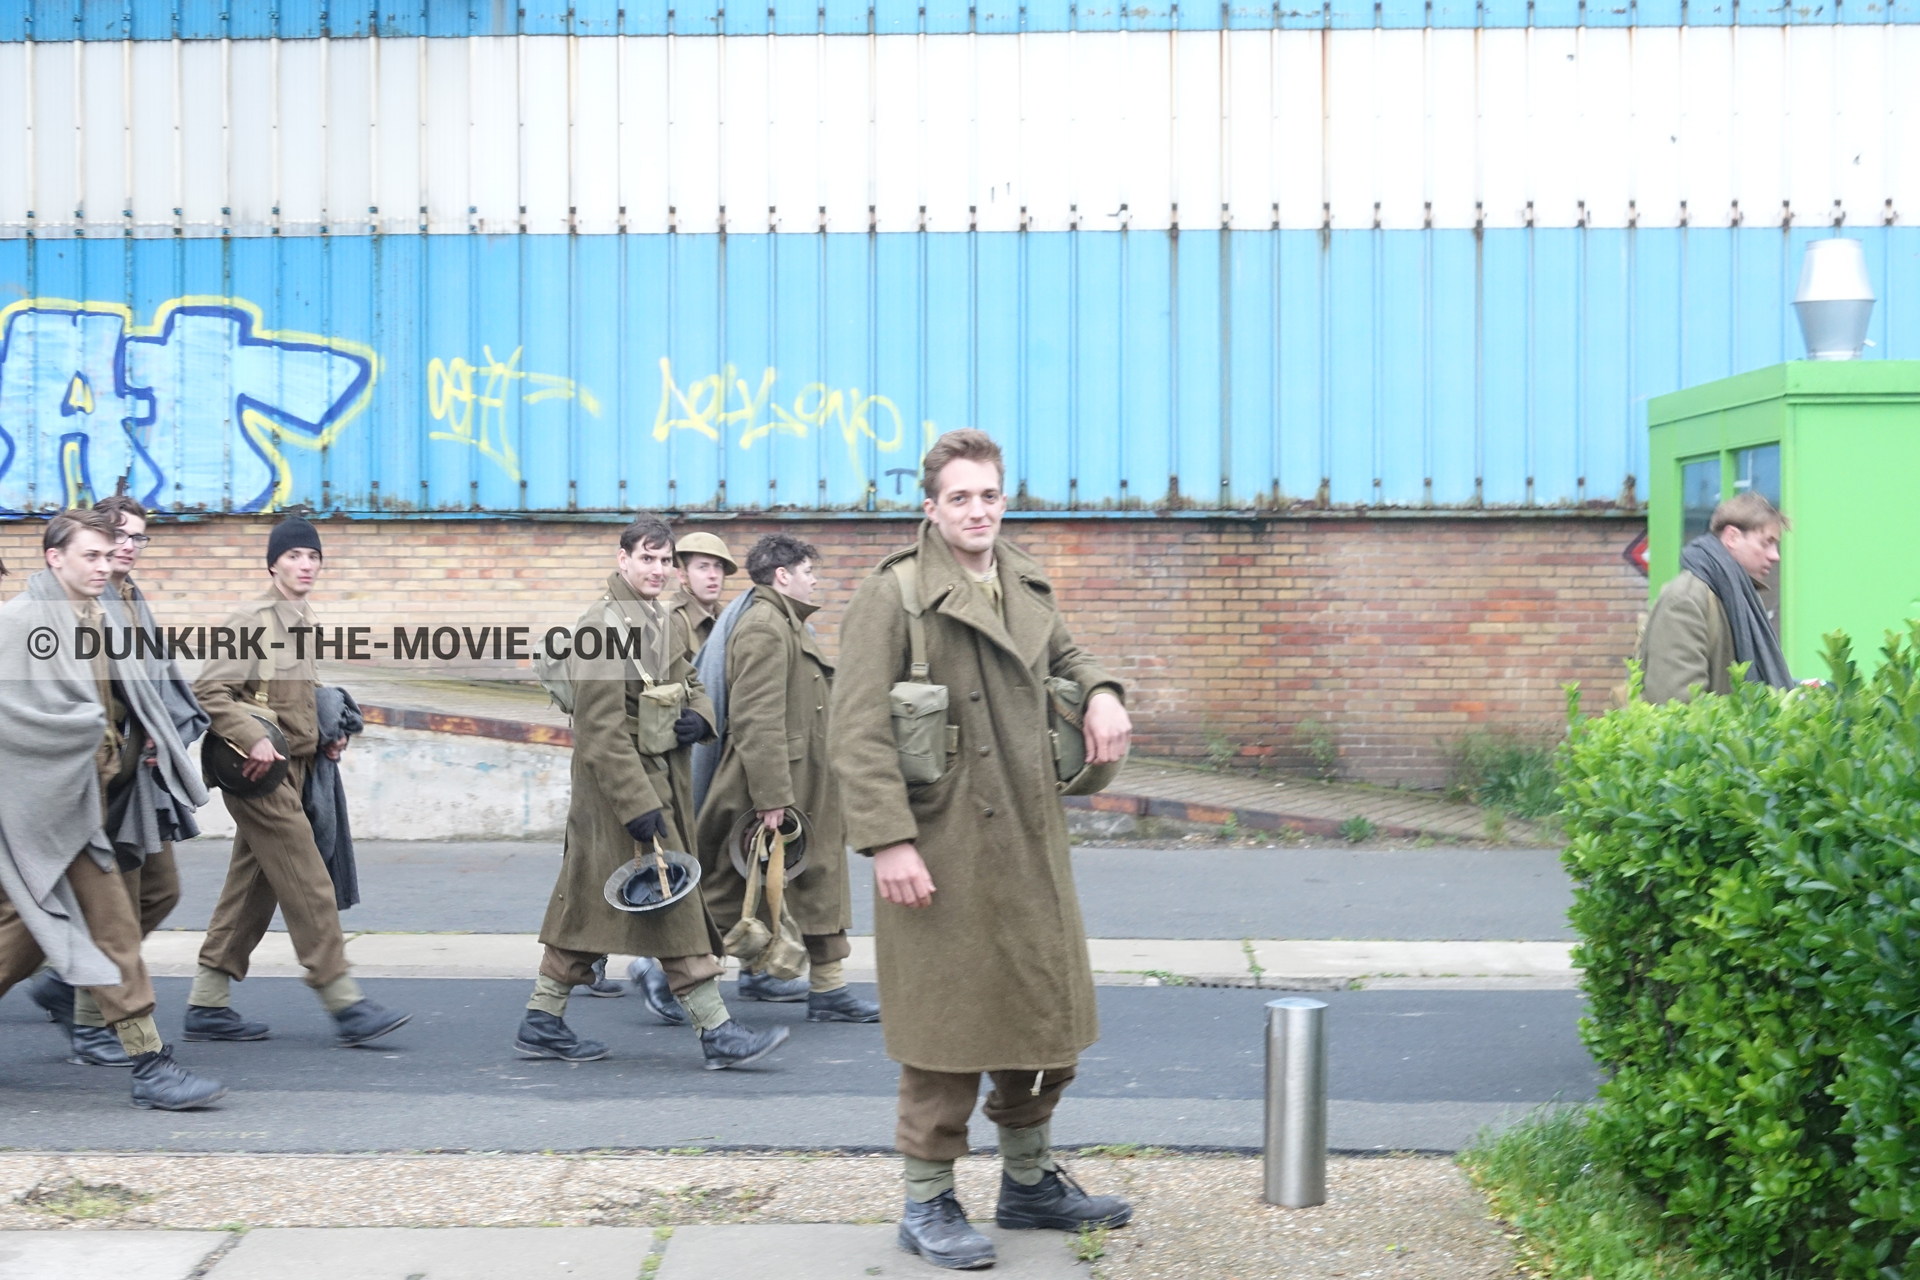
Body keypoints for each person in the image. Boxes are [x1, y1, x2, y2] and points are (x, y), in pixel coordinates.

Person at [828, 430, 1136, 1269]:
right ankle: (927, 1202)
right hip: (943, 848)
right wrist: (889, 843)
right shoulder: (891, 597)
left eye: (989, 496)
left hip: (1030, 847)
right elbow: (854, 734)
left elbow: (1071, 656)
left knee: (1043, 1023)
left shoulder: (1024, 580)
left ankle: (1028, 1182)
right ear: (931, 507)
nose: (977, 511)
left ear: (1005, 501)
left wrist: (1104, 694)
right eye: (960, 497)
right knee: (947, 1036)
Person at [515, 514, 789, 1070]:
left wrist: (700, 720)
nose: (658, 569)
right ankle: (716, 1030)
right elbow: (600, 731)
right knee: (674, 903)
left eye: (666, 561)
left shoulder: (661, 622)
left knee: (590, 904)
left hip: (658, 783)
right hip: (619, 795)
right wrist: (637, 807)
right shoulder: (602, 625)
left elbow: (692, 684)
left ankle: (542, 1020)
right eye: (648, 558)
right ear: (623, 559)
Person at [0, 509, 226, 1109]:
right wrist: (74, 743)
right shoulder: (21, 622)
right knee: (114, 928)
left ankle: (145, 1060)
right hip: (45, 810)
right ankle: (151, 1066)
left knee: (20, 942)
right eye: (91, 556)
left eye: (109, 556)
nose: (104, 566)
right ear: (55, 558)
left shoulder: (98, 618)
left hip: (89, 801)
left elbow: (132, 698)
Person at [187, 517, 411, 1047]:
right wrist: (250, 734)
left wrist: (327, 735)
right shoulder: (253, 618)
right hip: (256, 770)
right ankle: (342, 999)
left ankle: (207, 1000)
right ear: (273, 564)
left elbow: (293, 699)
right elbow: (209, 690)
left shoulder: (302, 619)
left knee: (254, 886)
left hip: (296, 766)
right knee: (309, 879)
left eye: (313, 557)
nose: (305, 564)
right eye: (294, 556)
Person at [692, 534, 878, 1023]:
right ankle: (673, 969)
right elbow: (756, 718)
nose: (814, 580)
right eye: (807, 572)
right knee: (731, 888)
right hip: (776, 787)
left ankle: (829, 990)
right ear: (782, 576)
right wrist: (772, 796)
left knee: (816, 883)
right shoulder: (765, 628)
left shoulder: (786, 625)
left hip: (806, 784)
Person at [626, 532, 743, 1016]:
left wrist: (705, 719)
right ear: (682, 574)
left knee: (701, 863)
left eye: (719, 568)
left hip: (709, 753)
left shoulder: (729, 623)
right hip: (666, 762)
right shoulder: (665, 622)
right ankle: (661, 971)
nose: (712, 575)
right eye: (701, 566)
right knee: (668, 867)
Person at [1638, 491, 1793, 704]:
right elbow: (1676, 705)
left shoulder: (1735, 595)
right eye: (1766, 543)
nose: (1775, 556)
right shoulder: (1686, 599)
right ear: (1732, 537)